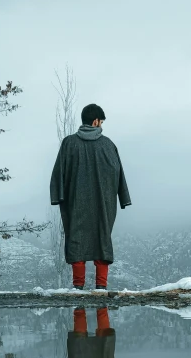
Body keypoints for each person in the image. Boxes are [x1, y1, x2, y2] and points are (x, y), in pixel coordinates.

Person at [50, 104, 132, 290]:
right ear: (95, 121)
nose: (101, 125)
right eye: (101, 122)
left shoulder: (69, 143)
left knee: (76, 241)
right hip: (102, 204)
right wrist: (122, 197)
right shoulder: (108, 145)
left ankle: (78, 289)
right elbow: (118, 173)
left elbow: (58, 173)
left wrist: (58, 196)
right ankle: (101, 290)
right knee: (102, 240)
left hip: (75, 203)